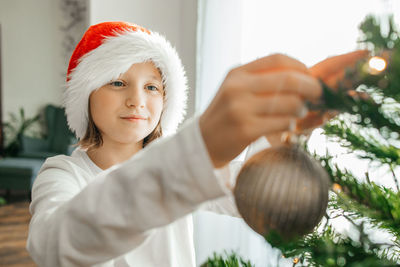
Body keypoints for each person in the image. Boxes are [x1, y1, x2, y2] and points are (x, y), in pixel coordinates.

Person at [26, 21, 367, 266]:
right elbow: (54, 246)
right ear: (86, 96)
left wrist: (282, 137)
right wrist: (195, 151)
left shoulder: (184, 168)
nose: (136, 101)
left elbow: (261, 199)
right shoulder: (61, 173)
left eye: (152, 87)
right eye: (117, 82)